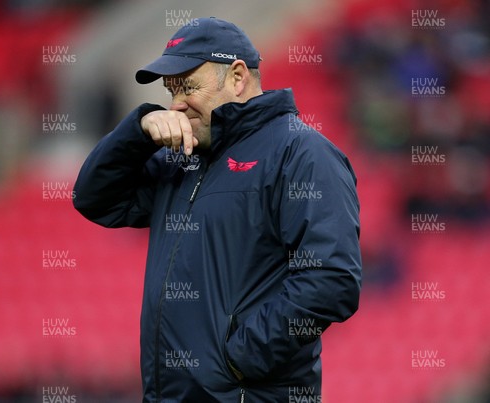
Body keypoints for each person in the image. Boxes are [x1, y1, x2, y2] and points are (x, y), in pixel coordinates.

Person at [73, 17, 361, 403]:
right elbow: (94, 198)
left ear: (238, 77)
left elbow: (331, 280)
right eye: (170, 91)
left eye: (188, 87)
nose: (176, 104)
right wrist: (138, 131)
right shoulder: (182, 158)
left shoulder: (302, 153)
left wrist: (238, 361)